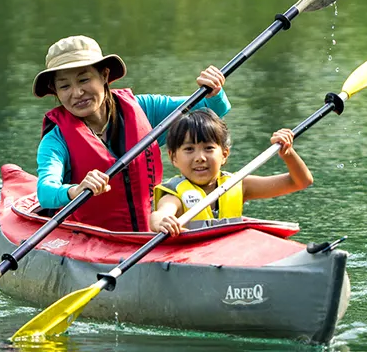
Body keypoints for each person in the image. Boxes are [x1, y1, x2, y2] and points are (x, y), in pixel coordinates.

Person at [34, 35, 228, 231]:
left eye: (84, 79)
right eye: (65, 86)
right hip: (92, 241)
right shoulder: (56, 139)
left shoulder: (144, 108)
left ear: (104, 75)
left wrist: (214, 91)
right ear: (55, 91)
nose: (76, 93)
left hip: (152, 233)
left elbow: (210, 109)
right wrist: (75, 190)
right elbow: (45, 191)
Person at [149, 109, 312, 236]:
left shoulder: (238, 185)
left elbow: (301, 181)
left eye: (209, 148)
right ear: (173, 157)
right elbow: (160, 214)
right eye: (189, 149)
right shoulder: (174, 195)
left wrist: (288, 154)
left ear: (224, 154)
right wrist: (162, 223)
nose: (200, 157)